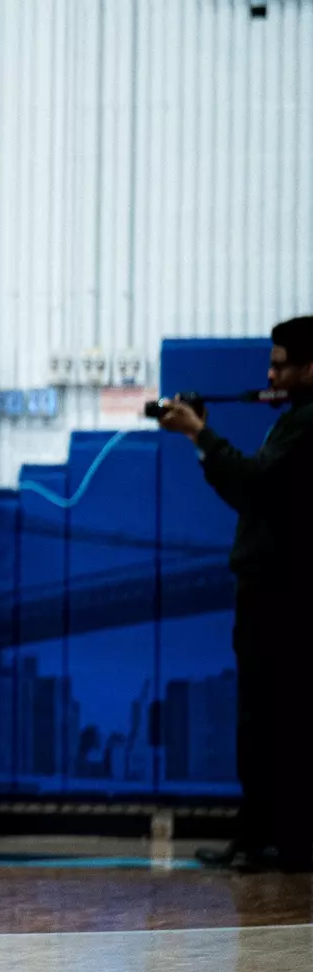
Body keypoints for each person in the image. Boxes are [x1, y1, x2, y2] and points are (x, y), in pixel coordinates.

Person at [157, 316, 313, 874]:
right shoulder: (294, 420)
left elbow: (255, 486)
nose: (269, 373)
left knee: (267, 719)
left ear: (309, 368)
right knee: (275, 719)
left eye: (279, 364)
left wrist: (200, 433)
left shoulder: (305, 425)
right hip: (278, 593)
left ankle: (266, 842)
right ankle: (272, 839)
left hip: (279, 595)